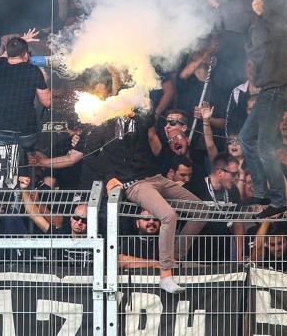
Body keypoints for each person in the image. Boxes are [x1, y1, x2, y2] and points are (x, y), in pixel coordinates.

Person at [87, 109, 206, 293]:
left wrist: (137, 112)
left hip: (156, 178)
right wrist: (109, 177)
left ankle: (175, 257)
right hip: (135, 185)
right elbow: (89, 154)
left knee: (202, 210)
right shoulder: (104, 123)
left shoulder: (139, 119)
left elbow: (150, 116)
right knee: (167, 215)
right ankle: (166, 275)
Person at [238, 0, 287, 218]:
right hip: (268, 87)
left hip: (279, 86)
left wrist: (264, 14)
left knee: (264, 145)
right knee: (245, 138)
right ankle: (262, 193)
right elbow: (255, 48)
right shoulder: (261, 19)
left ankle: (279, 201)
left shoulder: (286, 12)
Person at [0, 38, 49, 152]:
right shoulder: (34, 70)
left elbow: (4, 54)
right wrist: (43, 81)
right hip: (26, 136)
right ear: (26, 55)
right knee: (26, 160)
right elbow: (47, 102)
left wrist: (20, 41)